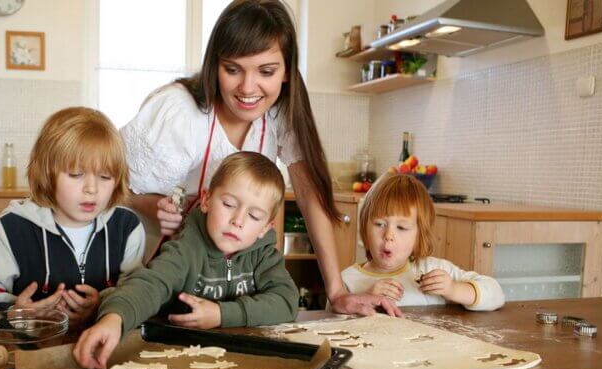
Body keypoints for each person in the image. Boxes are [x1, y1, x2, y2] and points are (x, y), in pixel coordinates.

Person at [121, 0, 400, 318]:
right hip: (157, 271)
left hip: (223, 286)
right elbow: (113, 189)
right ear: (215, 65)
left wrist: (336, 290)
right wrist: (154, 208)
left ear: (286, 71)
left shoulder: (281, 110)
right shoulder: (179, 112)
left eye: (266, 71)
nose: (248, 87)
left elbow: (310, 196)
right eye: (232, 69)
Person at [73, 152, 298, 369]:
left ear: (265, 227)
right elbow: (152, 284)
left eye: (254, 216)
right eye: (229, 204)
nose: (237, 221)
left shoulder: (264, 255)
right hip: (182, 359)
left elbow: (287, 301)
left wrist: (221, 314)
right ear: (206, 200)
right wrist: (114, 319)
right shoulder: (187, 247)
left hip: (242, 359)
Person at [0, 107, 145, 329]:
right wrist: (14, 314)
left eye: (105, 176)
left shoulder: (127, 228)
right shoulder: (9, 230)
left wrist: (104, 306)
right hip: (27, 351)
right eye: (76, 175)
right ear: (47, 173)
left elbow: (138, 293)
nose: (92, 189)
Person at [342, 174, 505, 311]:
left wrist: (453, 290)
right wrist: (366, 298)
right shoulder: (348, 280)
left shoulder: (433, 270)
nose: (389, 235)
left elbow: (496, 294)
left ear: (419, 237)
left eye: (402, 227)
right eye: (379, 224)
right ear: (364, 229)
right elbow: (328, 324)